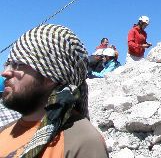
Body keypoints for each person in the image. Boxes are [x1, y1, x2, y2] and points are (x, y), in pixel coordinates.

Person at [0, 24, 108, 157]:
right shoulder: (5, 132)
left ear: (50, 76)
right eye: (8, 64)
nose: (5, 72)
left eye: (18, 65)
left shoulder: (82, 142)